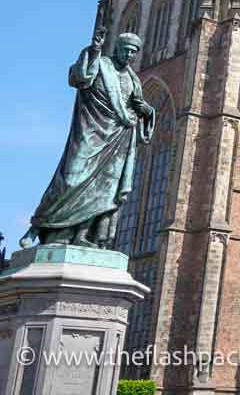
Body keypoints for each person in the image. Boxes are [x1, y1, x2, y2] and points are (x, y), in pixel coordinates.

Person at [18, 28, 155, 250]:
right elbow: (79, 78)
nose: (129, 55)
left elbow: (137, 107)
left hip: (117, 139)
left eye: (133, 52)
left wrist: (147, 111)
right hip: (90, 132)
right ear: (117, 49)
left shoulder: (133, 80)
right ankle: (38, 226)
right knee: (70, 179)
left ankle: (82, 235)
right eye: (126, 50)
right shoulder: (101, 64)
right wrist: (93, 50)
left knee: (104, 191)